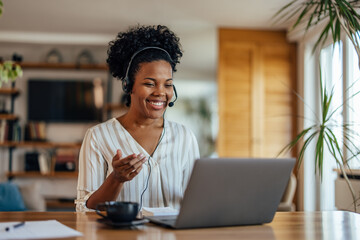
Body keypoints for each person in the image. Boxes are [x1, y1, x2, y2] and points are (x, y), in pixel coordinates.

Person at [76, 25, 200, 212]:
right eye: (150, 83)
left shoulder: (185, 136)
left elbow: (197, 201)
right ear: (128, 86)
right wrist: (116, 179)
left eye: (168, 85)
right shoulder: (98, 137)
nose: (160, 92)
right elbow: (85, 209)